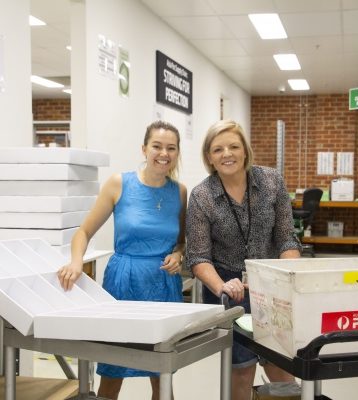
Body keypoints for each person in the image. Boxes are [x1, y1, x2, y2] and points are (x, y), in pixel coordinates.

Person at [57, 120, 187, 400]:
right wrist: (76, 262)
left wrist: (178, 254)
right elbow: (84, 231)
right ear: (144, 149)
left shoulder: (180, 192)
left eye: (171, 148)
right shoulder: (119, 183)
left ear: (177, 153)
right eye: (157, 146)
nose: (163, 153)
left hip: (164, 286)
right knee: (113, 369)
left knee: (162, 374)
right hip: (123, 282)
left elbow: (181, 241)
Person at [186, 119, 301, 400]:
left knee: (282, 366)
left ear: (245, 151)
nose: (227, 154)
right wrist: (222, 286)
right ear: (209, 158)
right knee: (241, 368)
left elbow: (287, 237)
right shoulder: (202, 196)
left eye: (234, 146)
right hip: (229, 289)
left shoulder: (272, 181)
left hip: (271, 284)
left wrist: (284, 275)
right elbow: (199, 256)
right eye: (218, 149)